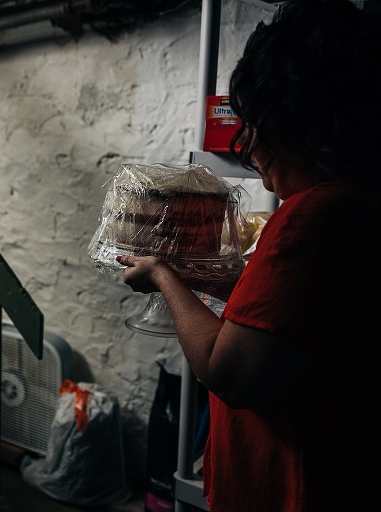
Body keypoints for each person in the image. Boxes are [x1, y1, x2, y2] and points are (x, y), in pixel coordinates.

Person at [115, 1, 381, 510]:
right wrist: (219, 282)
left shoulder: (316, 215)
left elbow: (232, 373)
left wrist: (166, 277)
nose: (251, 149)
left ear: (300, 121)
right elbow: (295, 325)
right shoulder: (363, 204)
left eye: (256, 125)